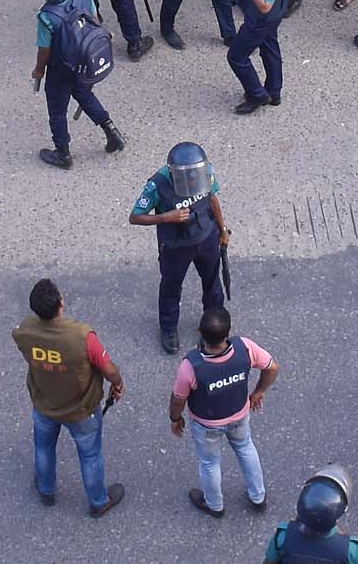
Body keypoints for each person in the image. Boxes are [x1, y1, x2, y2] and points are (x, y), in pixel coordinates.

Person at [15, 276, 124, 514]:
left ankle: (46, 490)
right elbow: (108, 369)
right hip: (81, 410)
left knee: (43, 448)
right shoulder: (82, 337)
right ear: (61, 303)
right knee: (90, 456)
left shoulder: (25, 331)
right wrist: (118, 383)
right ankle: (98, 502)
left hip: (44, 404)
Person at [173, 303, 276, 518]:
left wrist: (175, 418)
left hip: (207, 424)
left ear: (200, 332)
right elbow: (272, 367)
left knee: (210, 463)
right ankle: (258, 497)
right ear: (228, 333)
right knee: (246, 448)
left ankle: (215, 505)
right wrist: (258, 392)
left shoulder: (191, 365)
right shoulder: (245, 348)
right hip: (239, 415)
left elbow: (178, 398)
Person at [130, 142, 227, 356]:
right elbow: (135, 217)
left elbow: (213, 199)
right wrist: (166, 217)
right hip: (176, 246)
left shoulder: (204, 172)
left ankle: (213, 325)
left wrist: (223, 230)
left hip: (206, 237)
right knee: (171, 288)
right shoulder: (157, 185)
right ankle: (168, 328)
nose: (193, 177)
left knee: (212, 283)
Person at [32, 0, 123, 167]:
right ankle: (112, 132)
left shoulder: (46, 16)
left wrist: (39, 71)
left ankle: (63, 153)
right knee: (84, 95)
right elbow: (94, 18)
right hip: (85, 61)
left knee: (57, 111)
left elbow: (44, 50)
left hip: (62, 69)